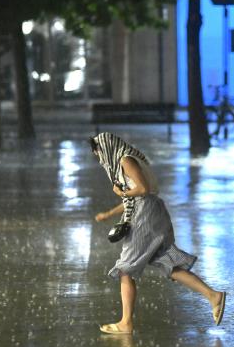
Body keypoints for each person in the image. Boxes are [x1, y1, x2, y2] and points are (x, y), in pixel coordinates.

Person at [90, 132, 226, 335]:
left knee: (125, 269)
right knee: (166, 262)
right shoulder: (124, 160)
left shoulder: (125, 160)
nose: (100, 157)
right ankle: (213, 296)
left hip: (144, 215)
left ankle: (126, 323)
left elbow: (142, 190)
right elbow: (136, 195)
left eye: (98, 152)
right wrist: (109, 213)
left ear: (107, 146)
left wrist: (122, 192)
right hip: (151, 211)